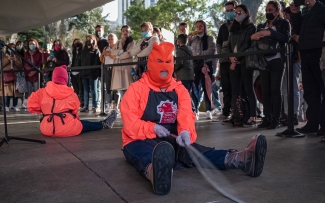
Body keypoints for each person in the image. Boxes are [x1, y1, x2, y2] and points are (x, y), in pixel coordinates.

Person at [120, 42, 267, 195]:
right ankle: (154, 172)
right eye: (159, 62)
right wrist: (153, 128)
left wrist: (185, 132)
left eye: (168, 62)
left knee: (198, 151)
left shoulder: (180, 90)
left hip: (171, 139)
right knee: (145, 154)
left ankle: (242, 159)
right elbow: (130, 122)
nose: (164, 67)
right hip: (138, 139)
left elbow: (186, 114)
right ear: (151, 64)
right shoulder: (136, 89)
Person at [27, 65, 117, 137]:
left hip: (46, 129)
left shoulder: (41, 92)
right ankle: (104, 124)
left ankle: (104, 123)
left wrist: (46, 112)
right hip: (68, 128)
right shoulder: (71, 93)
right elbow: (75, 112)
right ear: (66, 78)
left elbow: (31, 106)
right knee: (86, 124)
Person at [252, 0, 291, 129]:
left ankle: (276, 118)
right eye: (267, 10)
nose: (268, 12)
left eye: (271, 10)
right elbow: (252, 40)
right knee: (265, 90)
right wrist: (255, 36)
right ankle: (266, 117)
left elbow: (286, 38)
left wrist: (270, 33)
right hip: (263, 61)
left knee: (275, 90)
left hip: (277, 60)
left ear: (277, 11)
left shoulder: (284, 23)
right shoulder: (261, 25)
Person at [290, 0, 325, 137]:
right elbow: (298, 30)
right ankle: (312, 123)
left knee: (322, 88)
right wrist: (296, 14)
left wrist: (314, 4)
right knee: (310, 90)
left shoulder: (320, 6)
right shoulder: (306, 10)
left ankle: (323, 125)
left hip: (319, 51)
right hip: (305, 50)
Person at [226, 4, 257, 126]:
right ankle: (236, 115)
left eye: (240, 13)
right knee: (235, 90)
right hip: (233, 62)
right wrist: (231, 57)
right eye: (236, 13)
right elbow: (228, 45)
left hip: (245, 62)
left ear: (246, 13)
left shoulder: (250, 27)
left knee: (248, 88)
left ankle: (252, 115)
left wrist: (237, 57)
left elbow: (247, 44)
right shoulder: (232, 29)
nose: (237, 15)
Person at [189, 20, 217, 120]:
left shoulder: (209, 38)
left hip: (206, 65)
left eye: (201, 26)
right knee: (195, 88)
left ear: (205, 27)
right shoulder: (193, 39)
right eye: (197, 26)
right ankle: (195, 110)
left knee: (207, 88)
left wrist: (199, 54)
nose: (199, 28)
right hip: (195, 66)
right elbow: (188, 50)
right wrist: (188, 39)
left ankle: (208, 110)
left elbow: (211, 50)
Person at [280, 6, 301, 126]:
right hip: (284, 58)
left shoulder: (297, 24)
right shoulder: (282, 26)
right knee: (284, 87)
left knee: (293, 86)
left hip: (296, 58)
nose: (286, 16)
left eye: (287, 14)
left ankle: (294, 114)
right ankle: (286, 113)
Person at [217, 1, 238, 119]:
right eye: (227, 10)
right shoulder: (223, 27)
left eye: (231, 10)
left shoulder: (240, 25)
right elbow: (219, 43)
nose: (229, 13)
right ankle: (226, 110)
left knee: (236, 86)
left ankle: (238, 110)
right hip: (224, 61)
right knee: (226, 86)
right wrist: (222, 55)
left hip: (237, 61)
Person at [110, 25, 135, 109]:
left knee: (128, 88)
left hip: (126, 67)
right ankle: (124, 107)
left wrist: (119, 56)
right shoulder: (118, 42)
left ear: (129, 32)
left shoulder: (132, 42)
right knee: (121, 88)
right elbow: (112, 51)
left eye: (127, 31)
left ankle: (128, 107)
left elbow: (130, 53)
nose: (125, 32)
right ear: (121, 32)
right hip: (118, 68)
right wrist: (120, 52)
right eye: (123, 31)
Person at [79, 35, 101, 113]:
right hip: (84, 73)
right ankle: (86, 106)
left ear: (93, 40)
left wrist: (93, 71)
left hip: (93, 73)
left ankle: (95, 106)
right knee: (85, 90)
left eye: (90, 39)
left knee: (94, 90)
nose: (88, 41)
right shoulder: (83, 51)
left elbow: (97, 62)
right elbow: (80, 62)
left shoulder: (96, 50)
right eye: (87, 39)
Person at [1, 43, 24, 112]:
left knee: (15, 91)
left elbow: (20, 66)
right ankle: (6, 106)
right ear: (7, 48)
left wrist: (15, 60)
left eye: (14, 47)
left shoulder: (17, 56)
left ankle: (15, 105)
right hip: (6, 75)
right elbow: (1, 65)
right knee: (6, 92)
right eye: (11, 47)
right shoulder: (4, 56)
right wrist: (7, 59)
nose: (12, 48)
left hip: (15, 75)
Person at [101, 33, 120, 112]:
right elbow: (102, 59)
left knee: (116, 88)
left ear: (115, 39)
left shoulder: (117, 48)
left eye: (112, 39)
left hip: (115, 68)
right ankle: (108, 104)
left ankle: (116, 106)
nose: (110, 40)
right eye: (109, 39)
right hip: (106, 68)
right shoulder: (106, 47)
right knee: (108, 87)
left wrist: (109, 54)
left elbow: (117, 57)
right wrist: (103, 54)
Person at [71, 38, 84, 108]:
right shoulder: (73, 52)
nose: (76, 44)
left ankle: (82, 103)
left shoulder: (82, 52)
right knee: (75, 90)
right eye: (75, 42)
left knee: (81, 89)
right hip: (73, 73)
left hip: (80, 72)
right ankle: (77, 103)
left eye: (78, 42)